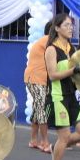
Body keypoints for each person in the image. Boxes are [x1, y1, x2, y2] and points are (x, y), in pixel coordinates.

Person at [44, 13, 80, 160]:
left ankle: (56, 146)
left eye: (71, 25)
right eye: (66, 25)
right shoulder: (51, 49)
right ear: (57, 28)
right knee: (64, 136)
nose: (70, 28)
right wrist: (74, 70)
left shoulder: (71, 49)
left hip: (71, 96)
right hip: (57, 97)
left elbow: (75, 75)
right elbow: (53, 75)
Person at [24, 22, 52, 153]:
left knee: (37, 108)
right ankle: (45, 142)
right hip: (35, 78)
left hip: (40, 79)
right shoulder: (48, 41)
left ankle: (33, 140)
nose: (69, 29)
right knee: (41, 108)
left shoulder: (52, 42)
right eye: (65, 25)